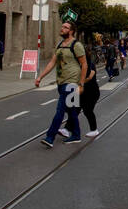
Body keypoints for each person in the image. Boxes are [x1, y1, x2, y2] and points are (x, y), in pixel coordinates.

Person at [34, 19, 87, 148]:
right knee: (72, 111)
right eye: (62, 26)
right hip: (61, 81)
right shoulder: (60, 44)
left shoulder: (76, 45)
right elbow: (52, 62)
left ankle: (50, 137)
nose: (62, 29)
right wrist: (40, 76)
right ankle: (76, 135)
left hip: (71, 83)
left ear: (71, 31)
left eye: (65, 27)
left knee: (60, 110)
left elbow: (84, 64)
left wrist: (81, 84)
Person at [63, 44, 102, 140]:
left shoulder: (89, 64)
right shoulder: (78, 64)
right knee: (74, 109)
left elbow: (90, 77)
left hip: (92, 92)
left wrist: (79, 81)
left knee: (87, 110)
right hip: (81, 92)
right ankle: (67, 129)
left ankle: (94, 130)